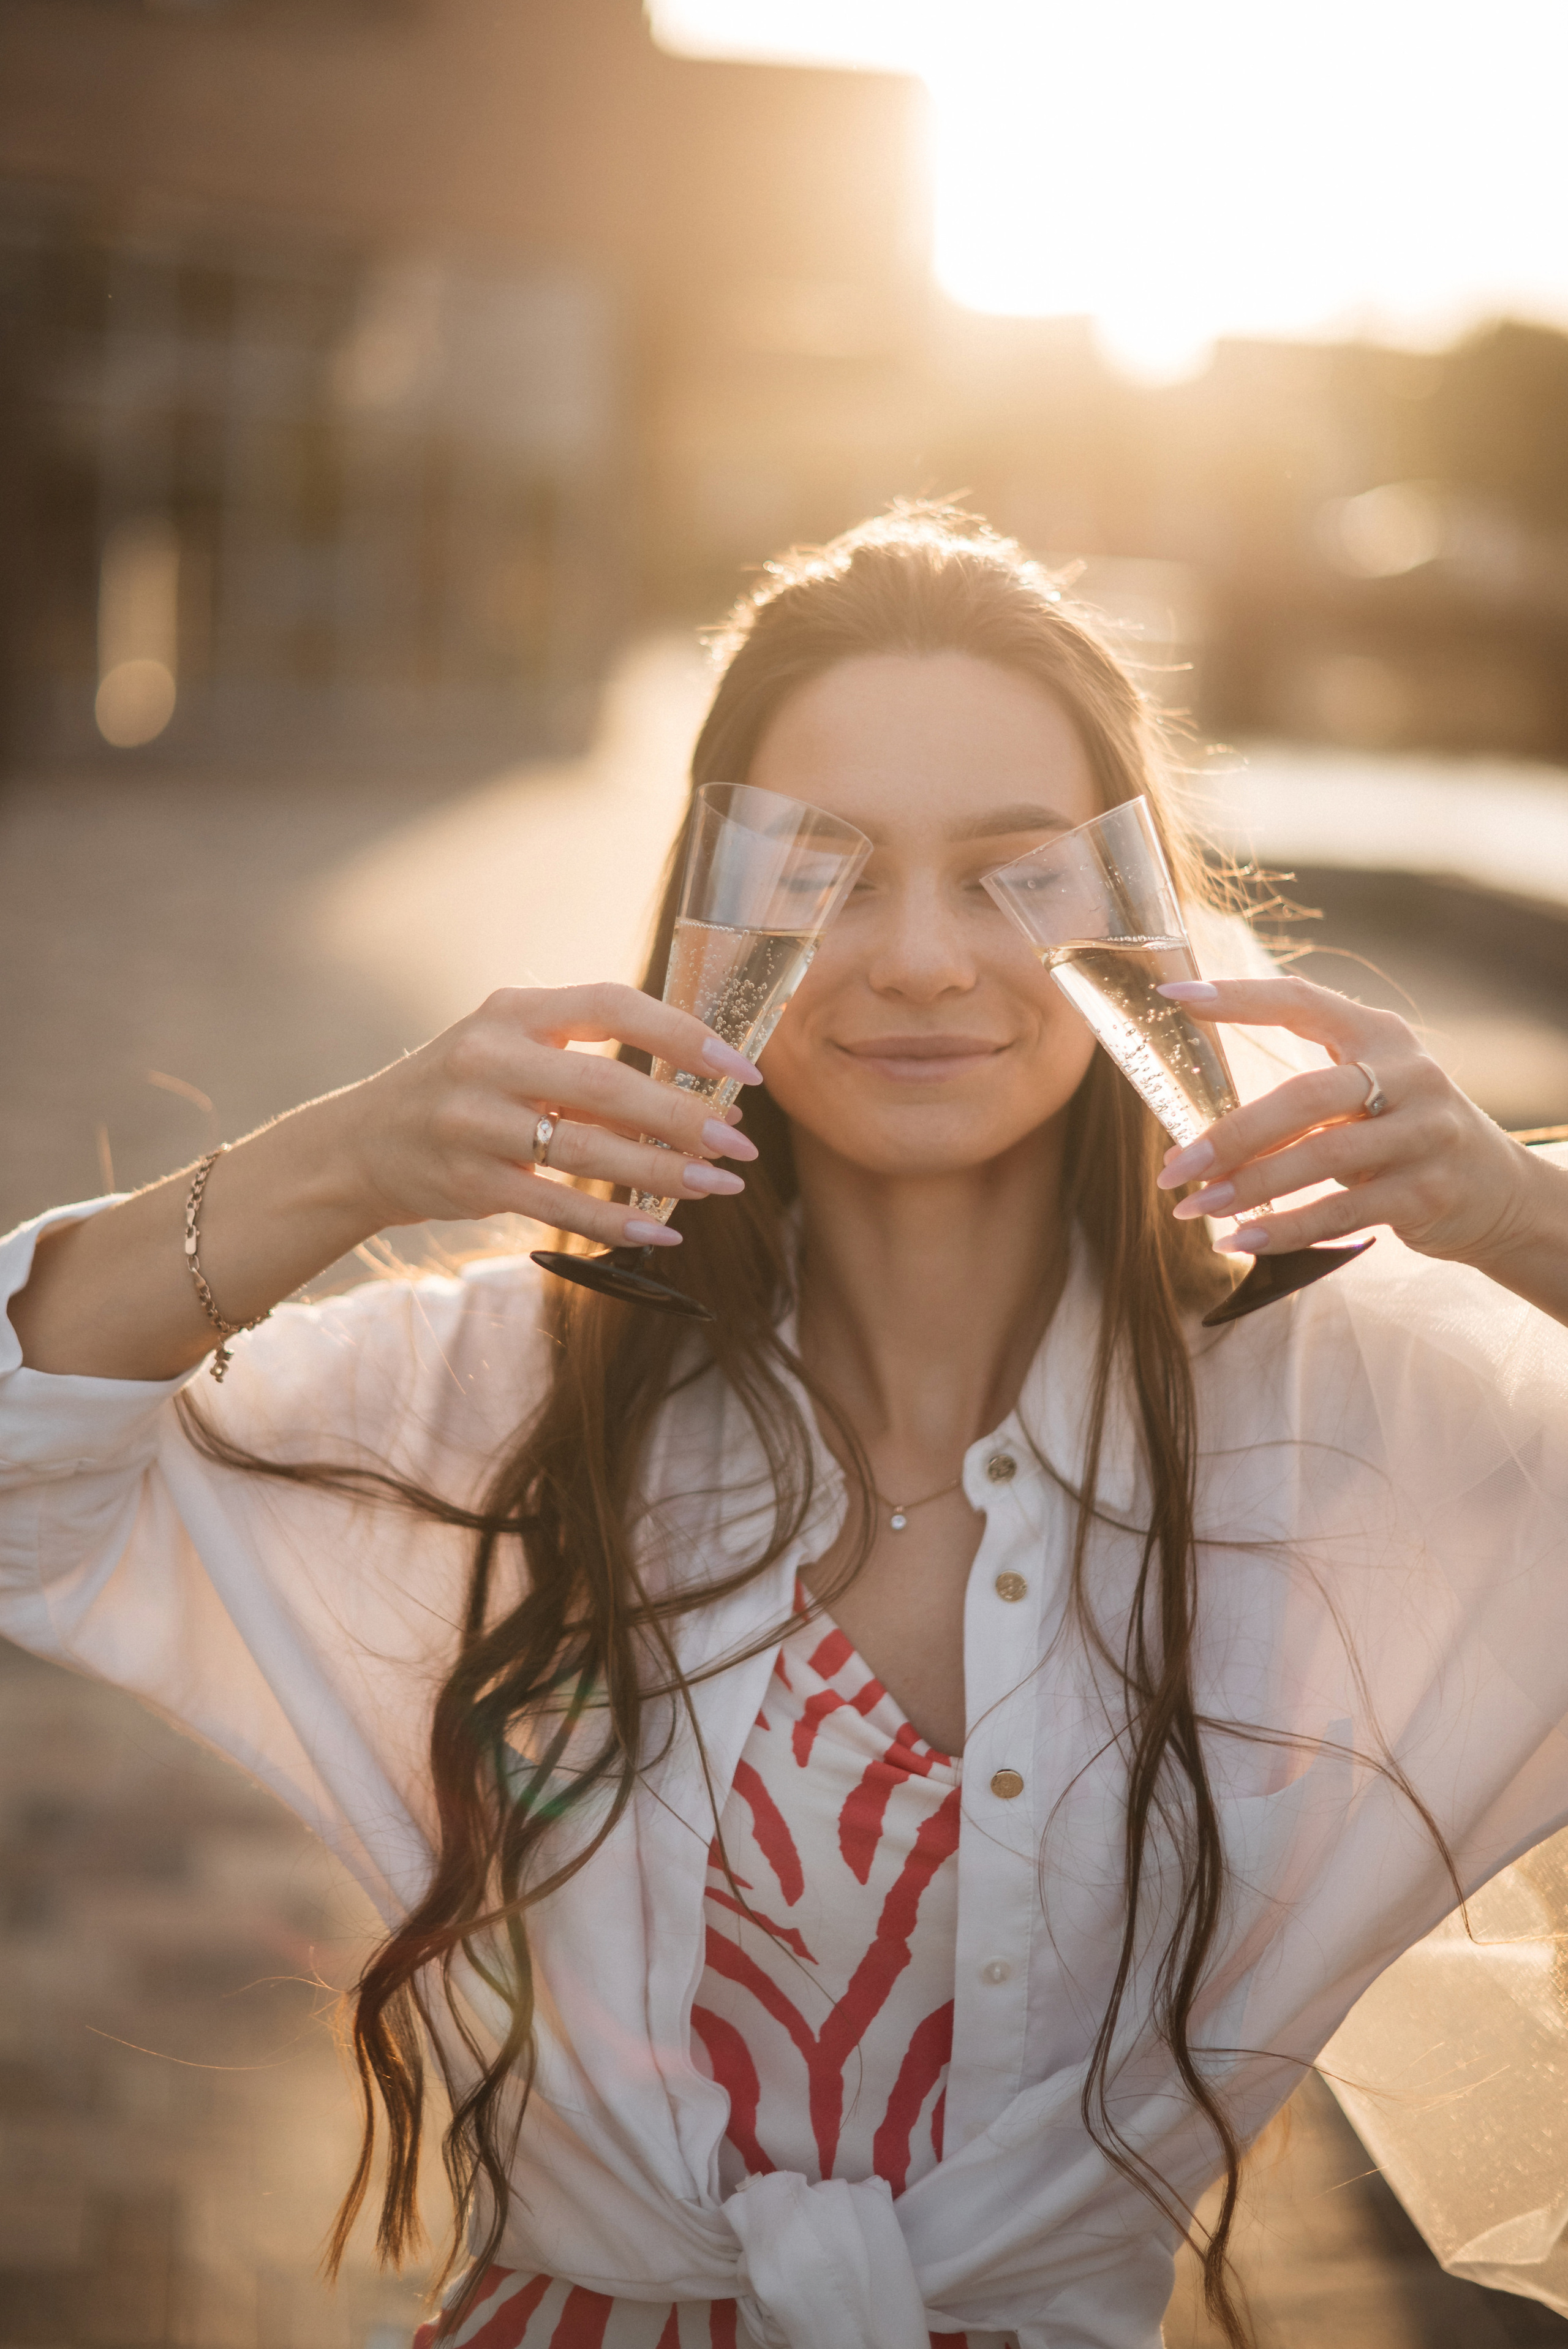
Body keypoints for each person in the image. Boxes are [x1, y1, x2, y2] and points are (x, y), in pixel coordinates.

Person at [2, 508, 1567, 2349]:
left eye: (1013, 871)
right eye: (821, 873)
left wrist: (1512, 1216)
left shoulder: (1343, 1411)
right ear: (711, 913)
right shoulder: (519, 1383)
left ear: (1134, 911)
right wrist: (347, 1155)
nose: (914, 956)